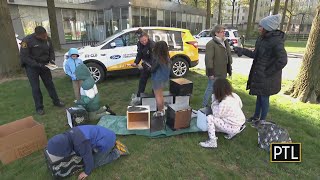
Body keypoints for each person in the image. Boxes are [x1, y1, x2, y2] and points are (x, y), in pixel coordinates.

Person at [234, 14, 287, 125]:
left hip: (267, 77)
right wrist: (242, 50)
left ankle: (262, 121)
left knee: (264, 98)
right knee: (259, 96)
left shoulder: (276, 41)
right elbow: (255, 54)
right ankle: (255, 117)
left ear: (267, 27)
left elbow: (282, 60)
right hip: (259, 74)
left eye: (261, 26)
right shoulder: (262, 39)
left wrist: (268, 72)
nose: (259, 28)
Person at [47, 125, 129, 180]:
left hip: (106, 141)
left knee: (95, 163)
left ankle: (117, 152)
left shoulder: (80, 143)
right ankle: (113, 142)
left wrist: (86, 172)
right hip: (104, 134)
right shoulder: (69, 134)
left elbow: (88, 158)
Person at [20, 26, 64, 115]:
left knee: (50, 84)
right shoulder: (26, 41)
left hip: (45, 65)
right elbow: (25, 57)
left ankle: (56, 101)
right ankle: (39, 108)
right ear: (37, 35)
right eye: (43, 36)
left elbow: (51, 50)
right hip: (32, 67)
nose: (45, 37)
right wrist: (37, 65)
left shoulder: (48, 39)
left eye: (46, 35)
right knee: (35, 88)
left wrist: (52, 60)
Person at [199, 78, 246, 148]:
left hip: (233, 127)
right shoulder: (234, 95)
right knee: (217, 124)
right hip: (240, 124)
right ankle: (231, 132)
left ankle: (212, 142)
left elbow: (216, 115)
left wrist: (214, 102)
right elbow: (240, 106)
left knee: (210, 118)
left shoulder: (224, 103)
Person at [202, 25, 232, 107]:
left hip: (223, 71)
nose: (224, 34)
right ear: (216, 33)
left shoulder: (224, 42)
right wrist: (210, 73)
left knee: (220, 89)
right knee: (210, 88)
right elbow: (208, 59)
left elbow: (228, 55)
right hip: (215, 72)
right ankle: (204, 105)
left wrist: (229, 68)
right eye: (222, 32)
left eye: (224, 32)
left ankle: (216, 105)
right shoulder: (211, 44)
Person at [130, 28, 155, 101]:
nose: (144, 42)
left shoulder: (152, 44)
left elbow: (154, 57)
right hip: (145, 64)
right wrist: (136, 62)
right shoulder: (139, 44)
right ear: (139, 40)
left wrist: (151, 67)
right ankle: (139, 96)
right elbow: (139, 54)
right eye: (141, 41)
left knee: (155, 81)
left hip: (154, 65)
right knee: (142, 80)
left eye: (145, 40)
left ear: (147, 37)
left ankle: (155, 97)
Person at [150, 41, 171, 117]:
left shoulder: (157, 58)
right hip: (164, 79)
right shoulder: (167, 57)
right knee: (161, 95)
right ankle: (162, 109)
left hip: (157, 79)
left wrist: (145, 66)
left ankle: (160, 112)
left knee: (158, 96)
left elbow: (152, 69)